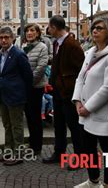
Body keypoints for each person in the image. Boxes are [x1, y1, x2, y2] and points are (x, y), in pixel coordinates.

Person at [72, 18, 108, 188]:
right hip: (85, 110)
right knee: (89, 149)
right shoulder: (90, 52)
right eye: (94, 28)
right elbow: (80, 78)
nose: (95, 30)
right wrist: (77, 100)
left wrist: (88, 107)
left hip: (101, 112)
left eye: (100, 28)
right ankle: (93, 180)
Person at [42, 15, 84, 166]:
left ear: (54, 27)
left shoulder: (72, 44)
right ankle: (59, 152)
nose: (48, 29)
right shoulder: (56, 43)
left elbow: (81, 69)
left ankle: (80, 157)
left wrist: (72, 87)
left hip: (69, 92)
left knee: (74, 126)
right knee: (58, 124)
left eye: (49, 26)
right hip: (58, 91)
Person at [0, 27, 33, 166]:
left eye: (6, 37)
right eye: (1, 38)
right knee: (6, 125)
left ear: (12, 38)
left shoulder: (18, 54)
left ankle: (18, 154)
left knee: (16, 125)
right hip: (4, 94)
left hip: (16, 95)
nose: (3, 40)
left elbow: (28, 76)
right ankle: (7, 152)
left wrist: (23, 93)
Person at [20, 24, 48, 155]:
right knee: (29, 117)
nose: (29, 33)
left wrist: (29, 82)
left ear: (37, 33)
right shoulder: (23, 47)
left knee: (35, 117)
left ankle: (37, 146)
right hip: (25, 87)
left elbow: (41, 67)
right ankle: (32, 143)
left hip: (36, 87)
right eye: (27, 31)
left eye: (32, 30)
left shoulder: (42, 47)